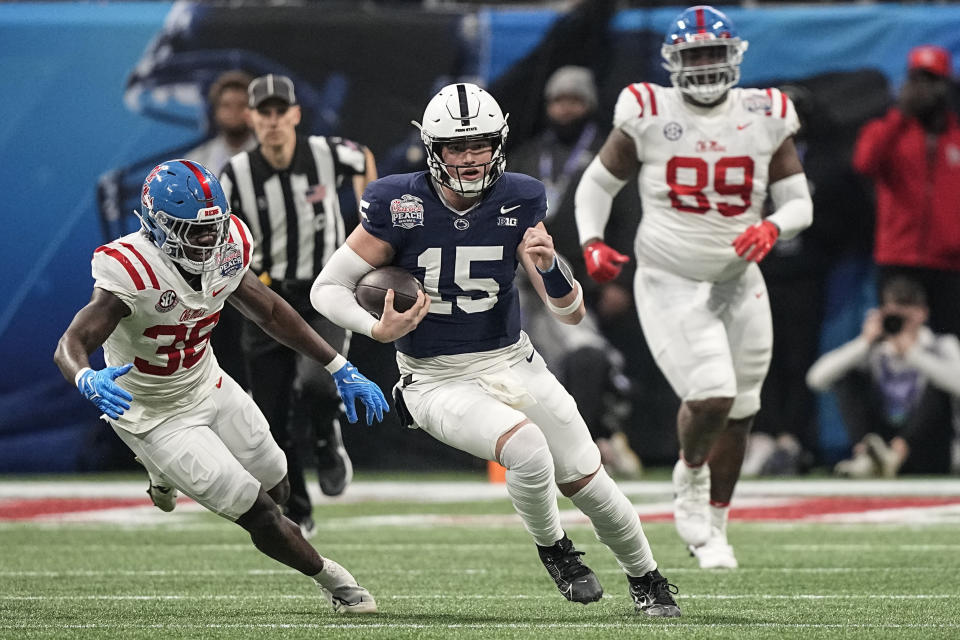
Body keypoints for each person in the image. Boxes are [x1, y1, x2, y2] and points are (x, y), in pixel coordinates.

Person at [310, 82, 681, 617]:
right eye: (455, 147)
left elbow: (570, 312)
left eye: (478, 144)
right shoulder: (400, 201)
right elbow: (327, 288)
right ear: (432, 149)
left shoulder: (521, 196)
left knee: (588, 477)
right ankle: (556, 549)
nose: (468, 157)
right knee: (526, 447)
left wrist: (550, 266)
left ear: (499, 142)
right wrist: (377, 331)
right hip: (434, 378)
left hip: (511, 360)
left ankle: (648, 579)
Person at [53, 159, 388, 613]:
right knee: (260, 513)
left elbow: (268, 310)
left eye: (213, 227)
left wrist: (337, 365)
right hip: (152, 414)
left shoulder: (228, 245)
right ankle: (337, 583)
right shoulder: (130, 268)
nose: (209, 239)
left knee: (278, 486)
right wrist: (85, 376)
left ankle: (159, 474)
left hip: (207, 382)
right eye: (194, 230)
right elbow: (71, 343)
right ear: (158, 225)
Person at [573, 5, 813, 569]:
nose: (705, 65)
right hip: (669, 278)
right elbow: (596, 185)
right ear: (673, 62)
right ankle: (690, 474)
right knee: (712, 393)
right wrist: (591, 242)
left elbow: (799, 201)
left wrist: (773, 224)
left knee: (743, 409)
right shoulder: (649, 110)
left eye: (713, 53)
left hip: (737, 279)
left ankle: (718, 526)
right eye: (694, 54)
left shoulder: (765, 112)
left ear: (734, 57)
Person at [219, 74, 378, 536]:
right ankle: (298, 508)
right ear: (250, 118)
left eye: (278, 111)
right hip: (264, 298)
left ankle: (328, 443)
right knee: (269, 417)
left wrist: (368, 209)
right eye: (262, 113)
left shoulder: (327, 154)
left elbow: (362, 157)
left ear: (294, 114)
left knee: (319, 381)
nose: (271, 122)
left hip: (322, 291)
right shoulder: (235, 174)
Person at [509, 66, 642, 476]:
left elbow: (629, 218)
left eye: (574, 101)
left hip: (578, 282)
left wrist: (620, 279)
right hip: (517, 281)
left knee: (586, 355)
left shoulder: (608, 154)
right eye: (557, 101)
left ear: (588, 106)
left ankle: (594, 441)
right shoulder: (528, 155)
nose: (564, 109)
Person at [853, 45, 960, 340]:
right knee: (895, 344)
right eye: (917, 80)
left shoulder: (955, 136)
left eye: (931, 81)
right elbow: (864, 162)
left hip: (949, 263)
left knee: (949, 345)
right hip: (898, 258)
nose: (924, 90)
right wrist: (901, 113)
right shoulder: (887, 130)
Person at [806, 276, 960, 478]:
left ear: (922, 314)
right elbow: (816, 379)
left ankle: (895, 454)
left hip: (926, 452)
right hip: (879, 442)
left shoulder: (940, 345)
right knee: (848, 376)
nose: (899, 322)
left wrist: (913, 354)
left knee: (939, 382)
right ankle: (868, 456)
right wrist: (864, 342)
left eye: (906, 316)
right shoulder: (874, 349)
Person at [187, 70, 259, 392]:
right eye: (226, 104)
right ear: (215, 111)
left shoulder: (271, 157)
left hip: (262, 273)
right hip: (208, 280)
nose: (233, 111)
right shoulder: (196, 164)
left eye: (241, 104)